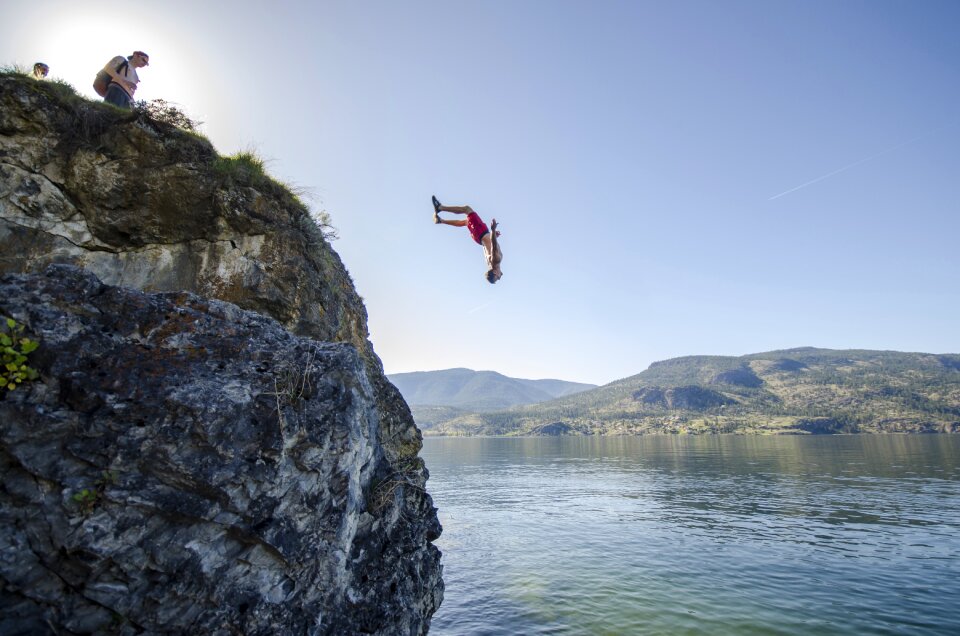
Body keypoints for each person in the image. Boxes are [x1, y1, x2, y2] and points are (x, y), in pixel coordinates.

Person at [432, 196, 503, 283]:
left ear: (495, 272)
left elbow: (494, 247)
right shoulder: (490, 264)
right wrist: (493, 236)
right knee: (466, 222)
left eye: (497, 277)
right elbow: (490, 246)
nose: (500, 277)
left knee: (467, 209)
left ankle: (440, 208)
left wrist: (493, 230)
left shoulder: (496, 260)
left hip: (481, 232)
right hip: (479, 239)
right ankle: (440, 220)